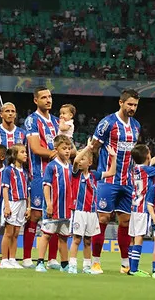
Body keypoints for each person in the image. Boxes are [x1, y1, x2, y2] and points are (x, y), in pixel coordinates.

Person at [88, 89, 141, 275]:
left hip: (127, 181)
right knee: (102, 218)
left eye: (135, 105)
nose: (132, 108)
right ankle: (95, 262)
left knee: (125, 222)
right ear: (121, 103)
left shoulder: (136, 126)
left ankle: (125, 263)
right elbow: (93, 147)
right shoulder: (108, 123)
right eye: (130, 104)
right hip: (108, 180)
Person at [22, 87, 60, 268]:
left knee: (55, 216)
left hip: (57, 177)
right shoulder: (32, 120)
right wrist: (58, 153)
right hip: (38, 174)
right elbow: (36, 149)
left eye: (50, 97)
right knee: (36, 215)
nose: (48, 100)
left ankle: (52, 258)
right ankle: (27, 257)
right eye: (44, 97)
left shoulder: (56, 122)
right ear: (36, 100)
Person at [69, 144, 115, 274]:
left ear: (89, 162)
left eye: (84, 159)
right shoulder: (76, 174)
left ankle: (87, 266)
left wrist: (114, 157)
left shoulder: (94, 175)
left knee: (88, 240)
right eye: (80, 158)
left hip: (92, 213)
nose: (79, 161)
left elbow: (112, 172)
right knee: (77, 239)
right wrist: (88, 148)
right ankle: (72, 264)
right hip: (79, 211)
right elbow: (76, 160)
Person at [36, 135, 73, 272]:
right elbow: (46, 186)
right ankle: (40, 262)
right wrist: (49, 204)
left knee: (63, 237)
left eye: (69, 148)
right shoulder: (51, 166)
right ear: (56, 149)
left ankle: (64, 264)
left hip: (66, 209)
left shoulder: (70, 167)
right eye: (64, 148)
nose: (67, 151)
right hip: (54, 207)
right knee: (46, 235)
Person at [128, 144, 155, 277]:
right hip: (143, 208)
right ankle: (134, 269)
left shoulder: (134, 169)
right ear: (147, 156)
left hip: (134, 207)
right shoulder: (148, 170)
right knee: (139, 237)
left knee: (132, 238)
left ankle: (131, 267)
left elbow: (149, 163)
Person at [1, 144, 29, 269]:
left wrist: (28, 207)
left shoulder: (25, 172)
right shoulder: (8, 170)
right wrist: (7, 206)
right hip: (12, 202)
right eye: (22, 152)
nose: (25, 154)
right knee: (8, 232)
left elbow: (27, 190)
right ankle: (4, 259)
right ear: (15, 155)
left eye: (25, 152)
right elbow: (5, 189)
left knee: (16, 233)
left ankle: (12, 258)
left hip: (22, 203)